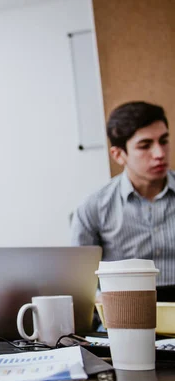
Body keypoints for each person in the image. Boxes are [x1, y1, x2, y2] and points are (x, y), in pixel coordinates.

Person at [72, 101, 175, 301]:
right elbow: (80, 284)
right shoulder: (93, 207)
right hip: (124, 313)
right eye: (145, 146)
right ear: (118, 154)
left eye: (164, 141)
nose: (160, 154)